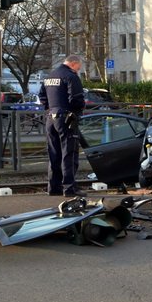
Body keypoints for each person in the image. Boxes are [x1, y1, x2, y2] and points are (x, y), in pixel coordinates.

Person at [38, 55, 85, 196]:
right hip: (65, 118)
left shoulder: (50, 76)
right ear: (74, 63)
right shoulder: (71, 76)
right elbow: (76, 99)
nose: (79, 70)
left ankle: (53, 188)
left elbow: (42, 96)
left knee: (54, 153)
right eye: (79, 67)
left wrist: (51, 109)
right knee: (68, 153)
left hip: (50, 118)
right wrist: (76, 112)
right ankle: (69, 188)